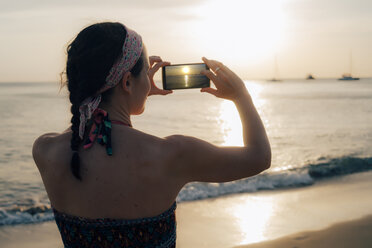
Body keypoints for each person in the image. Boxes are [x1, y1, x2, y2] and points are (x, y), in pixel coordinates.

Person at [32, 22, 271, 248]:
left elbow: (100, 130)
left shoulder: (45, 150)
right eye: (145, 72)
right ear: (126, 81)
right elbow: (258, 157)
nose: (149, 79)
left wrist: (137, 93)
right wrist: (241, 96)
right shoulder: (172, 155)